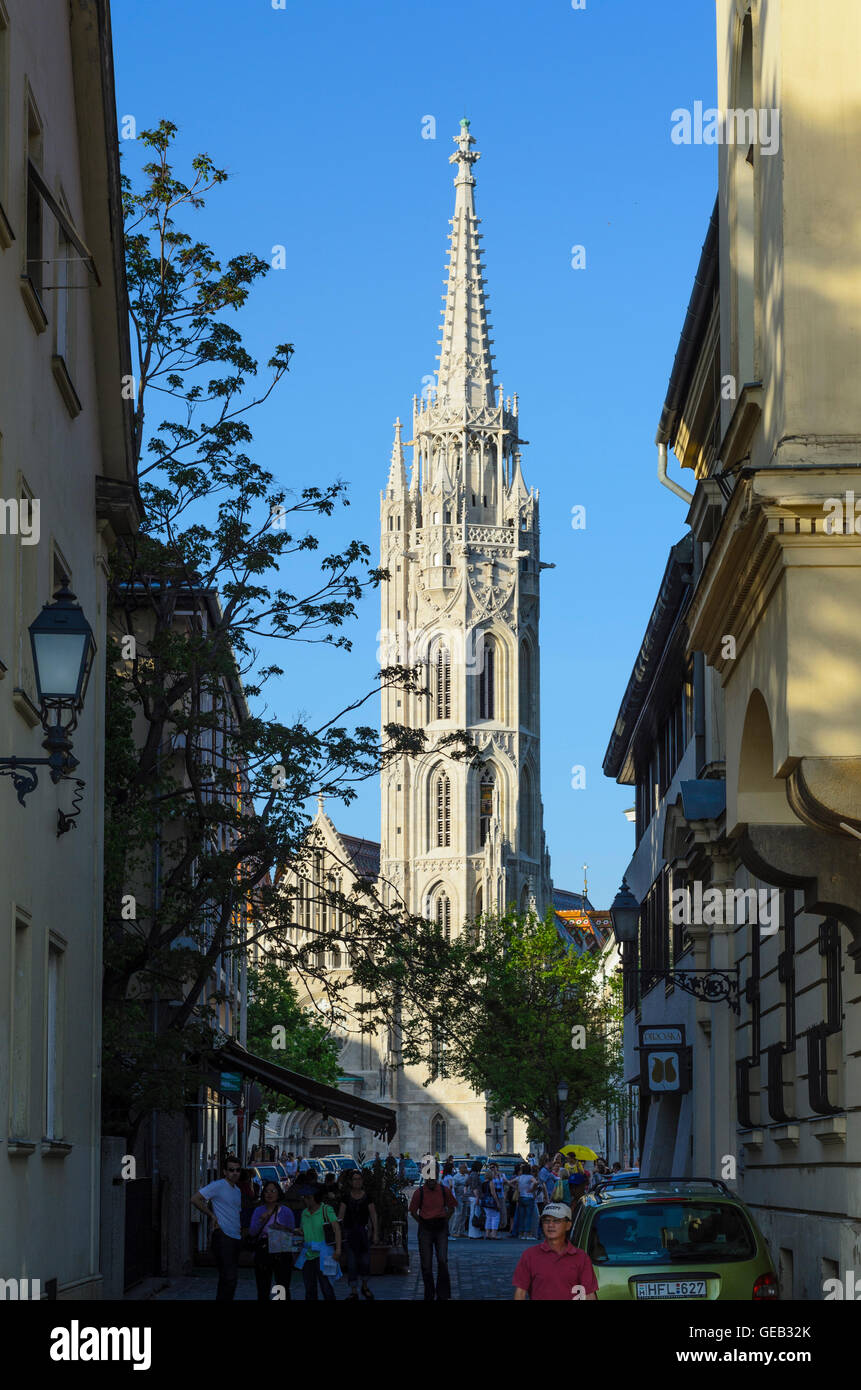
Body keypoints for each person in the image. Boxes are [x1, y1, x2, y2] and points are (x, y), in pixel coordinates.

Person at [512, 1202, 598, 1301]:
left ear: (568, 1225)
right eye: (546, 1221)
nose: (550, 1225)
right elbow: (520, 1293)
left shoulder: (581, 1257)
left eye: (557, 1221)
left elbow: (589, 1295)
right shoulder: (530, 1255)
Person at [191, 1155, 243, 1300]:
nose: (235, 1173)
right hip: (223, 1236)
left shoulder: (237, 1190)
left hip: (235, 1236)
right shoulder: (218, 1185)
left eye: (238, 1170)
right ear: (225, 1171)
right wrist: (211, 1215)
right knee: (229, 1277)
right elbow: (195, 1199)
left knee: (229, 1278)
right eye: (231, 1170)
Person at [409, 1165, 456, 1300]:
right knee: (426, 1264)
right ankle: (429, 1294)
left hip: (440, 1227)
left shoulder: (443, 1190)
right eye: (429, 1178)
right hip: (426, 1228)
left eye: (433, 1177)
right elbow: (412, 1211)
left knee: (442, 1260)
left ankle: (443, 1294)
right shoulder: (420, 1192)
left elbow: (452, 1207)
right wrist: (422, 1222)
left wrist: (444, 1219)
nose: (431, 1180)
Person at [249, 1180, 297, 1301]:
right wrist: (261, 1220)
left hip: (282, 1249)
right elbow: (252, 1232)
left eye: (273, 1191)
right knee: (263, 1286)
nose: (269, 1194)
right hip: (264, 1248)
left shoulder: (286, 1211)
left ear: (278, 1193)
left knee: (281, 1286)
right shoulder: (258, 1211)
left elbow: (292, 1232)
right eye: (266, 1191)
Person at [337, 1170, 378, 1301]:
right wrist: (339, 1233)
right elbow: (340, 1216)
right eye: (355, 1179)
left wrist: (376, 1233)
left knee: (365, 1261)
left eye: (359, 1179)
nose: (357, 1181)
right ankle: (353, 1290)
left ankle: (365, 1286)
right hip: (349, 1234)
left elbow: (373, 1215)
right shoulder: (345, 1197)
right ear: (351, 1182)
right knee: (352, 1263)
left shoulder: (368, 1197)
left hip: (363, 1233)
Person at [296, 1184, 341, 1300]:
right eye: (305, 1197)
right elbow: (303, 1230)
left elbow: (336, 1228)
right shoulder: (304, 1213)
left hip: (325, 1254)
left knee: (327, 1287)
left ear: (316, 1197)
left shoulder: (326, 1209)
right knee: (309, 1289)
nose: (306, 1200)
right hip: (308, 1255)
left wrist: (338, 1249)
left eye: (309, 1197)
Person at [481, 1163, 507, 1240]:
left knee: (488, 1218)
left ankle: (487, 1234)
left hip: (485, 1202)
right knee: (496, 1217)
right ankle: (494, 1234)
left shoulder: (484, 1183)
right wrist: (497, 1203)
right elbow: (493, 1193)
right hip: (492, 1202)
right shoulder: (491, 1182)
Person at [514, 1162, 537, 1240]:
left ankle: (521, 1234)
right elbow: (535, 1182)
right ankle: (528, 1234)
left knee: (522, 1216)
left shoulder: (519, 1177)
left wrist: (516, 1188)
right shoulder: (530, 1177)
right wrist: (532, 1189)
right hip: (529, 1197)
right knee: (528, 1216)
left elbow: (509, 1182)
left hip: (521, 1197)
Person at [464, 1160, 484, 1240]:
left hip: (471, 1196)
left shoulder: (471, 1174)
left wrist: (467, 1194)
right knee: (475, 1215)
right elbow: (475, 1187)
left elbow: (466, 1185)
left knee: (473, 1215)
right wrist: (477, 1198)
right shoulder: (475, 1175)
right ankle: (475, 1234)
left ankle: (473, 1233)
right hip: (475, 1196)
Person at [449, 1163, 469, 1238]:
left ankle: (461, 1231)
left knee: (464, 1215)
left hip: (465, 1197)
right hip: (458, 1197)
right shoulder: (456, 1177)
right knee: (458, 1214)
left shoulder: (467, 1176)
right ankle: (454, 1231)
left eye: (466, 1168)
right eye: (464, 1168)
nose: (466, 1169)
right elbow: (454, 1188)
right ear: (460, 1169)